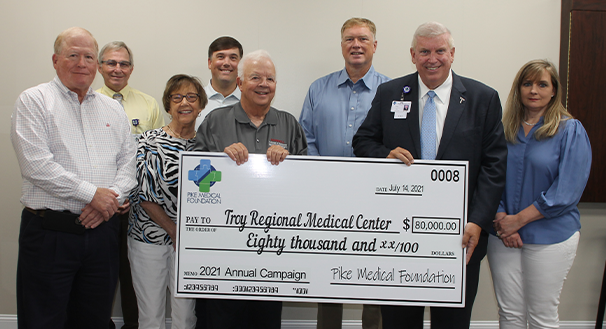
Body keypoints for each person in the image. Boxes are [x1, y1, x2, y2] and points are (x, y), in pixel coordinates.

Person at [352, 21, 507, 329]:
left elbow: (495, 164)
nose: (432, 58)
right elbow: (362, 141)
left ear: (452, 54)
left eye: (439, 51)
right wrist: (385, 154)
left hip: (461, 235)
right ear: (412, 54)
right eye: (424, 51)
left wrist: (477, 220)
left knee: (452, 321)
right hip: (399, 235)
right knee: (399, 321)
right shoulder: (391, 92)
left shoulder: (482, 98)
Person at [10, 27, 136, 328]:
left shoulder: (112, 108)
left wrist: (110, 197)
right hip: (49, 234)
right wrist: (93, 195)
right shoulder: (34, 100)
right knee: (43, 319)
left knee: (94, 318)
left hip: (102, 235)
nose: (82, 63)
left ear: (97, 64)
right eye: (73, 55)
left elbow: (129, 163)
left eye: (89, 56)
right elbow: (37, 166)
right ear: (56, 60)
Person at [194, 50, 307, 329]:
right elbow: (195, 182)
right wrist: (221, 160)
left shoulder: (289, 123)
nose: (263, 84)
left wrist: (289, 164)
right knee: (222, 318)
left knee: (266, 319)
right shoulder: (215, 121)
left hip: (273, 246)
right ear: (241, 83)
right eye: (255, 77)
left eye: (270, 78)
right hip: (224, 246)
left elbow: (307, 183)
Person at [298, 17, 389, 329]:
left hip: (375, 199)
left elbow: (394, 144)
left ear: (374, 46)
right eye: (350, 39)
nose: (356, 45)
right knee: (328, 273)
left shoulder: (391, 91)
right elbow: (305, 138)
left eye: (363, 39)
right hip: (327, 198)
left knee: (374, 272)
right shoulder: (318, 89)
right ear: (341, 46)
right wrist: (325, 179)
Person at [487, 59, 591, 329]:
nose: (534, 90)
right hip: (503, 235)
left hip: (551, 235)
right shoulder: (503, 130)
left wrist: (518, 220)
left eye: (542, 84)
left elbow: (566, 191)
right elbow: (488, 176)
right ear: (518, 89)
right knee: (509, 314)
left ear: (554, 90)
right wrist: (501, 218)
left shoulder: (570, 130)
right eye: (527, 83)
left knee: (541, 316)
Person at [128, 74, 207, 329]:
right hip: (148, 238)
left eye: (192, 97)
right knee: (151, 313)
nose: (185, 102)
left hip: (190, 240)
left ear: (201, 104)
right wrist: (174, 231)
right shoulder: (148, 142)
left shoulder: (206, 147)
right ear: (168, 104)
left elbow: (209, 196)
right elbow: (144, 196)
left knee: (186, 314)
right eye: (177, 97)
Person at [97, 40, 165, 329]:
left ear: (132, 69)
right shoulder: (86, 100)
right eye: (111, 63)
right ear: (100, 67)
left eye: (123, 63)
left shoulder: (148, 103)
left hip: (137, 205)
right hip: (97, 203)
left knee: (132, 271)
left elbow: (156, 157)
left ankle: (133, 325)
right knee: (98, 272)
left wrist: (128, 194)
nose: (117, 68)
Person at [195, 36, 243, 130]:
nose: (226, 63)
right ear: (210, 63)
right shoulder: (194, 100)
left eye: (233, 58)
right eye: (220, 57)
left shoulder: (251, 102)